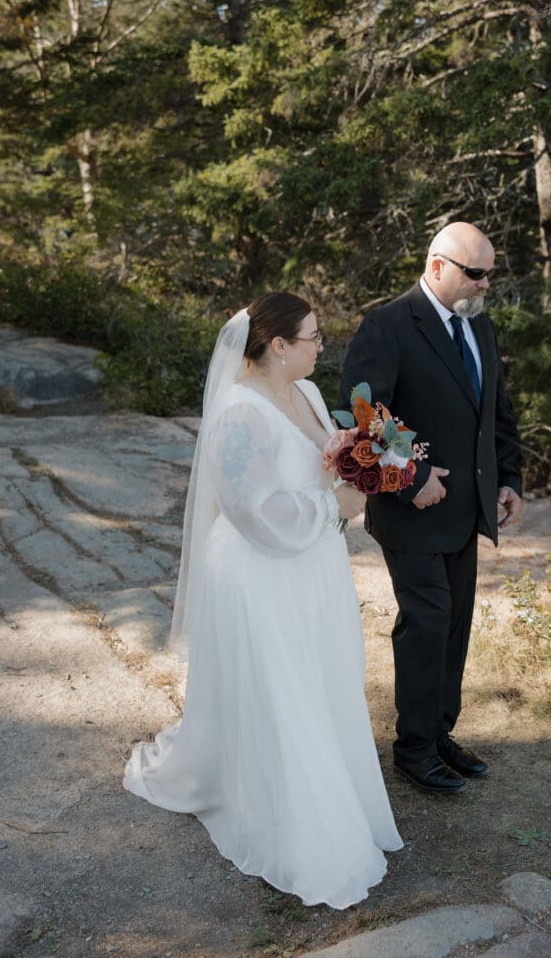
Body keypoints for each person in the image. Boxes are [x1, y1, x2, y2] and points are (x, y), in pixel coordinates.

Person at [124, 292, 402, 909]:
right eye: (312, 338)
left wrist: (361, 464)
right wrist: (335, 503)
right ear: (277, 346)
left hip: (311, 564)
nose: (321, 346)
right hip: (259, 568)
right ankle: (296, 821)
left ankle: (334, 790)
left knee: (323, 677)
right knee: (283, 689)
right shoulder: (237, 413)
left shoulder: (303, 393)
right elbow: (251, 509)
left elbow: (325, 461)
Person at [339, 222, 523, 795]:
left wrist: (508, 477)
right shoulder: (389, 324)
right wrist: (411, 475)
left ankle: (439, 734)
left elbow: (496, 408)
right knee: (427, 623)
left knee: (455, 626)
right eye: (475, 273)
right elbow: (364, 410)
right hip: (412, 510)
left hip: (466, 511)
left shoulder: (480, 326)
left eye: (490, 273)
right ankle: (413, 749)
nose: (485, 285)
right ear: (439, 266)